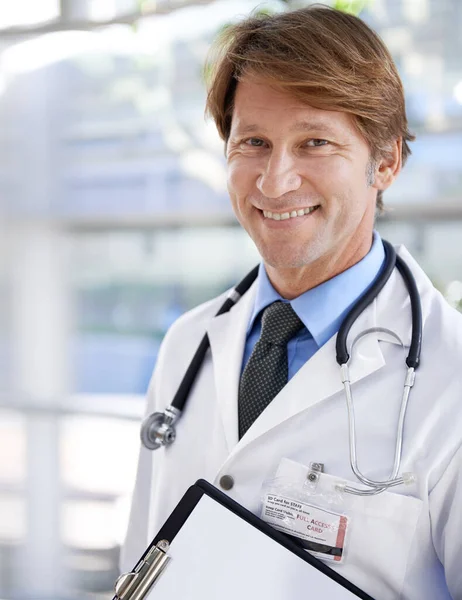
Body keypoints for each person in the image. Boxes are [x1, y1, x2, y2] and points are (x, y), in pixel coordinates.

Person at [121, 6, 462, 599]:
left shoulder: (450, 378)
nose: (275, 181)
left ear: (384, 163)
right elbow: (141, 568)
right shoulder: (189, 343)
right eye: (253, 141)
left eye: (315, 143)